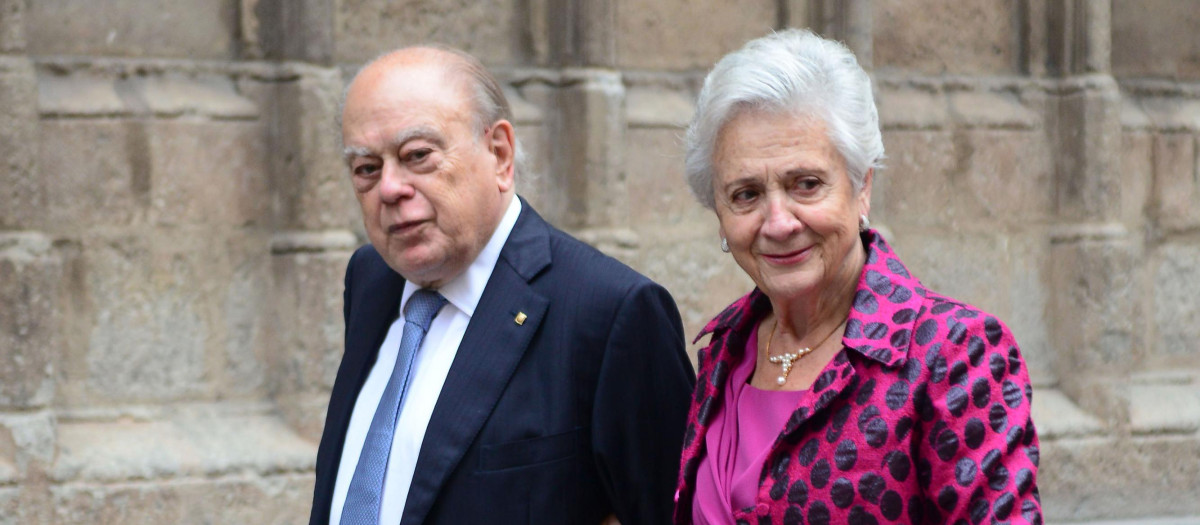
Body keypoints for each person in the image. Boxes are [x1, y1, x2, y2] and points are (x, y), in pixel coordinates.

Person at [309, 46, 695, 525]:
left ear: (499, 154)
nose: (389, 188)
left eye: (418, 156)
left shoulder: (611, 313)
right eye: (367, 168)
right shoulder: (371, 279)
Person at [672, 30, 1042, 524]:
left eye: (806, 184)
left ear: (861, 186)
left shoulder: (953, 354)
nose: (778, 223)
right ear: (718, 213)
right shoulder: (725, 350)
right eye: (746, 194)